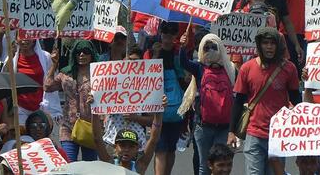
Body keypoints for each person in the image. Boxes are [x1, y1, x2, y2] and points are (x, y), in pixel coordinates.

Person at [228, 27, 301, 175]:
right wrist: (231, 132)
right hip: (254, 133)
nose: (269, 46)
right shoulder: (246, 68)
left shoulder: (289, 68)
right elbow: (238, 101)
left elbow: (297, 100)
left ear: (278, 46)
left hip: (278, 136)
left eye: (273, 43)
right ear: (259, 45)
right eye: (265, 43)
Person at [179, 33, 236, 175]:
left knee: (221, 164)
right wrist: (183, 47)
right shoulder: (199, 68)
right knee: (204, 165)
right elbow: (183, 62)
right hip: (203, 126)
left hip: (224, 126)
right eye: (206, 47)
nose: (210, 50)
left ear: (221, 48)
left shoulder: (230, 69)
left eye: (213, 47)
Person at [145, 21, 189, 175]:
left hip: (177, 109)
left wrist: (183, 50)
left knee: (170, 148)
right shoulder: (151, 52)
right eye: (165, 33)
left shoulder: (179, 52)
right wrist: (155, 56)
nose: (167, 37)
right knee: (160, 148)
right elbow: (144, 76)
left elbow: (186, 76)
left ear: (176, 35)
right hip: (158, 108)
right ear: (160, 33)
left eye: (171, 34)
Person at [44, 40, 98, 161]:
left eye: (86, 51)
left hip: (91, 127)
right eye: (78, 52)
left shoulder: (98, 74)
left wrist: (96, 98)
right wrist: (54, 65)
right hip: (68, 126)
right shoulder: (65, 73)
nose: (82, 55)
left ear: (92, 54)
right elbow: (47, 87)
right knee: (69, 165)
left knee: (90, 168)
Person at [91, 96, 165, 174]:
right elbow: (97, 139)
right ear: (115, 147)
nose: (126, 150)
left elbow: (154, 140)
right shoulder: (109, 164)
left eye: (131, 146)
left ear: (137, 149)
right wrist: (94, 109)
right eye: (122, 145)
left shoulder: (139, 167)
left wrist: (159, 112)